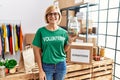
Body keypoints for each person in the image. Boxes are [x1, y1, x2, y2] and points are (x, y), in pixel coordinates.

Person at [32, 5, 72, 80]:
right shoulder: (41, 31)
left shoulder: (64, 32)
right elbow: (36, 51)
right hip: (46, 66)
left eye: (55, 14)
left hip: (61, 65)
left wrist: (70, 41)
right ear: (47, 16)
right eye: (50, 14)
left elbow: (64, 50)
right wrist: (40, 70)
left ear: (59, 16)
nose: (52, 16)